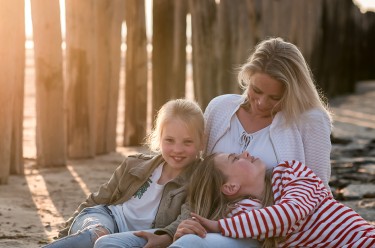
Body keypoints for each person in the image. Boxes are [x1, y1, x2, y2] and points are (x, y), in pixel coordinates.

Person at [170, 37, 333, 247]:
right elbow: (203, 178)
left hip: (268, 235)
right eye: (256, 90)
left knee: (191, 244)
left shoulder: (310, 121)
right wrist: (182, 225)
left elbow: (319, 193)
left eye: (275, 97)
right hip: (210, 220)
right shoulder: (220, 108)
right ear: (247, 78)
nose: (262, 103)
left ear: (292, 91)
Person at [42, 98, 206, 248]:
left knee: (106, 243)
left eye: (187, 142)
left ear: (201, 142)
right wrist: (63, 235)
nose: (177, 149)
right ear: (159, 138)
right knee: (98, 234)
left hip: (138, 237)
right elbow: (98, 199)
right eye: (169, 140)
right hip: (104, 218)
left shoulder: (200, 179)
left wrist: (167, 235)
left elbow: (187, 217)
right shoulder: (134, 164)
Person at [175, 152, 375, 248]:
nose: (245, 153)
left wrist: (218, 226)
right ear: (230, 187)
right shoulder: (241, 213)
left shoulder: (291, 172)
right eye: (235, 159)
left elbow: (292, 211)